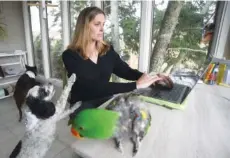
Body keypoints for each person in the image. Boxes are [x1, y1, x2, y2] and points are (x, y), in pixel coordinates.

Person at [62, 6, 168, 121]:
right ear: (84, 27)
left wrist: (150, 79)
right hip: (82, 105)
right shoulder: (69, 55)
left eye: (103, 24)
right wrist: (136, 85)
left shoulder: (107, 50)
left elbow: (125, 71)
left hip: (105, 99)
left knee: (132, 119)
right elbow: (92, 87)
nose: (102, 29)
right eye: (97, 24)